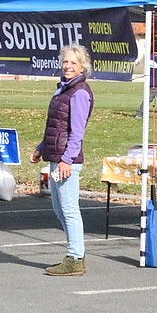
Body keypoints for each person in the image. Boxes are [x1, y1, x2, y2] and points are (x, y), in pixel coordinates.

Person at [30, 43, 94, 276]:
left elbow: (77, 132)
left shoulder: (79, 92)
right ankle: (75, 253)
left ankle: (75, 257)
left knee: (69, 209)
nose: (67, 66)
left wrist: (67, 160)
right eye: (65, 61)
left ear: (82, 66)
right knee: (59, 209)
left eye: (73, 63)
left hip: (68, 160)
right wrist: (40, 148)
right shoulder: (64, 89)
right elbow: (56, 126)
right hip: (56, 157)